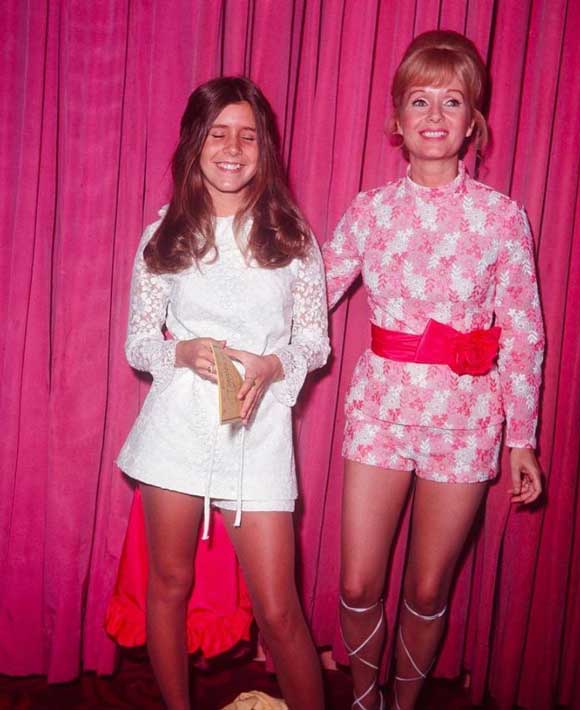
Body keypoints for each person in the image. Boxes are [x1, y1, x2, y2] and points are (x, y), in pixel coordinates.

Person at [323, 32, 545, 710]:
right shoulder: (370, 210)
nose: (435, 115)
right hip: (381, 413)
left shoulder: (503, 217)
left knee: (426, 590)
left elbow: (523, 332)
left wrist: (522, 438)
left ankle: (403, 704)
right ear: (397, 117)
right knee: (358, 584)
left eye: (452, 101)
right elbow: (307, 298)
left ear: (473, 120)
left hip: (467, 421)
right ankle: (364, 700)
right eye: (419, 100)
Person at [117, 76, 329, 710]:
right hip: (176, 431)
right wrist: (179, 352)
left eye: (248, 136)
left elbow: (314, 341)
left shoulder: (292, 237)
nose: (233, 149)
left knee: (278, 609)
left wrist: (274, 363)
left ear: (265, 149)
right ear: (194, 143)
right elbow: (138, 343)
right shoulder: (165, 235)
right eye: (218, 134)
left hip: (256, 433)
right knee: (169, 584)